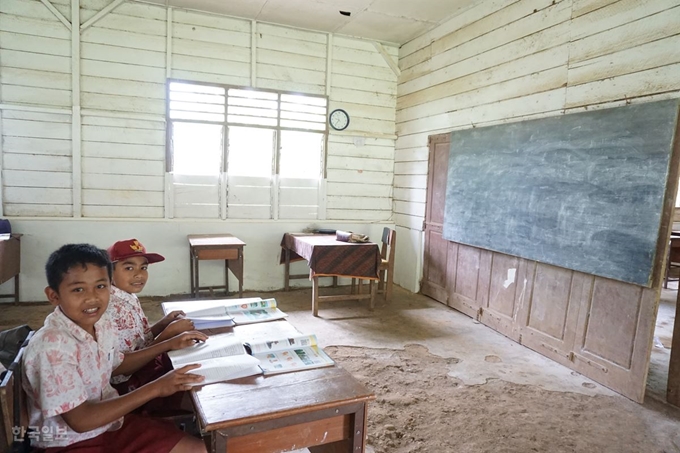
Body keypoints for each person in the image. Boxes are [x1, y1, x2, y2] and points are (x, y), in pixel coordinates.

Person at [22, 243, 207, 452]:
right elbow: (80, 421)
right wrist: (156, 388)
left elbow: (118, 364)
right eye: (78, 289)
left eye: (100, 286)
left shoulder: (100, 323)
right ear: (53, 295)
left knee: (201, 445)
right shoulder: (52, 347)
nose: (92, 297)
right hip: (69, 442)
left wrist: (162, 376)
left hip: (110, 423)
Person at [107, 239, 194, 393]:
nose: (139, 274)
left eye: (143, 267)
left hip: (142, 368)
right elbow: (121, 369)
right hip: (129, 385)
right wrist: (167, 337)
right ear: (109, 272)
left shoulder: (127, 296)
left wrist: (164, 323)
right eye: (129, 268)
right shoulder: (113, 308)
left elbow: (138, 340)